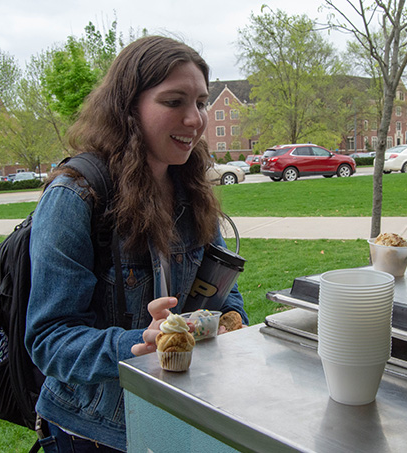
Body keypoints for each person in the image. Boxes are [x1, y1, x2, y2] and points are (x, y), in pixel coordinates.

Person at [25, 36, 249, 452]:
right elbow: (49, 341)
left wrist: (230, 324)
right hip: (94, 431)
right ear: (128, 108)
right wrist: (137, 344)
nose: (195, 119)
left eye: (201, 102)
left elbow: (222, 295)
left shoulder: (190, 189)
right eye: (173, 102)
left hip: (181, 414)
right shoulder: (76, 196)